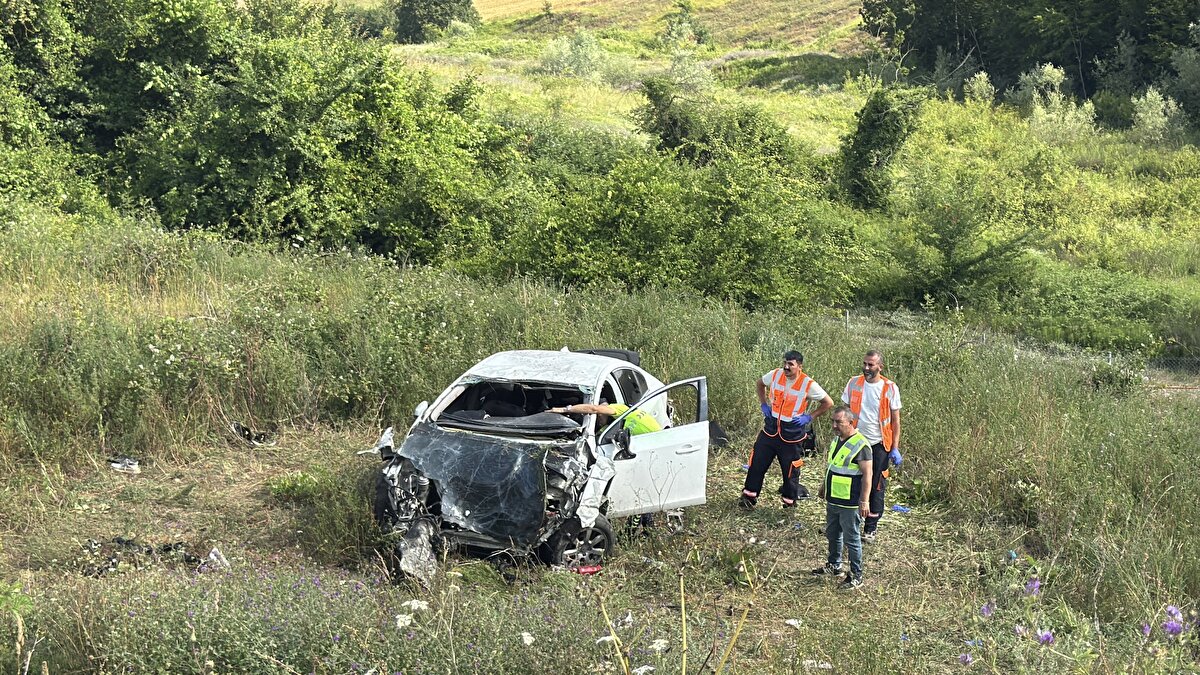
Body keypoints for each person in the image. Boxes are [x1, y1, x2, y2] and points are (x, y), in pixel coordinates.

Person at [740, 350, 833, 509]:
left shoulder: (807, 383)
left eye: (791, 364)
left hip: (791, 435)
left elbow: (828, 403)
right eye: (785, 363)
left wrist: (809, 417)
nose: (786, 367)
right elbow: (760, 383)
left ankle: (789, 504)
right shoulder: (775, 375)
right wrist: (764, 404)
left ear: (799, 366)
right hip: (770, 429)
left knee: (790, 471)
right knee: (757, 463)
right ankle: (748, 497)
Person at [841, 349, 902, 542]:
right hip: (856, 441)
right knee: (851, 481)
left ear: (880, 367)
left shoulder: (889, 388)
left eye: (871, 365)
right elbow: (845, 412)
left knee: (876, 485)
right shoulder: (854, 383)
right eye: (865, 364)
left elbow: (895, 421)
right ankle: (849, 522)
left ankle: (870, 528)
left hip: (878, 444)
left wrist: (894, 447)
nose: (866, 368)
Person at [811, 406, 872, 590]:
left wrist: (864, 501)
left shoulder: (861, 445)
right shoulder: (836, 440)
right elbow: (832, 466)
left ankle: (856, 575)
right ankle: (834, 565)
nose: (834, 426)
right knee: (833, 534)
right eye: (833, 421)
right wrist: (824, 487)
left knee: (851, 538)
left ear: (851, 423)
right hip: (834, 498)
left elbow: (868, 475)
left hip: (850, 502)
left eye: (839, 422)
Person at [548, 402, 662, 434]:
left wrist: (564, 409)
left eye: (598, 417)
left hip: (657, 441)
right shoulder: (606, 429)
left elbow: (594, 409)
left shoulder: (621, 409)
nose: (597, 419)